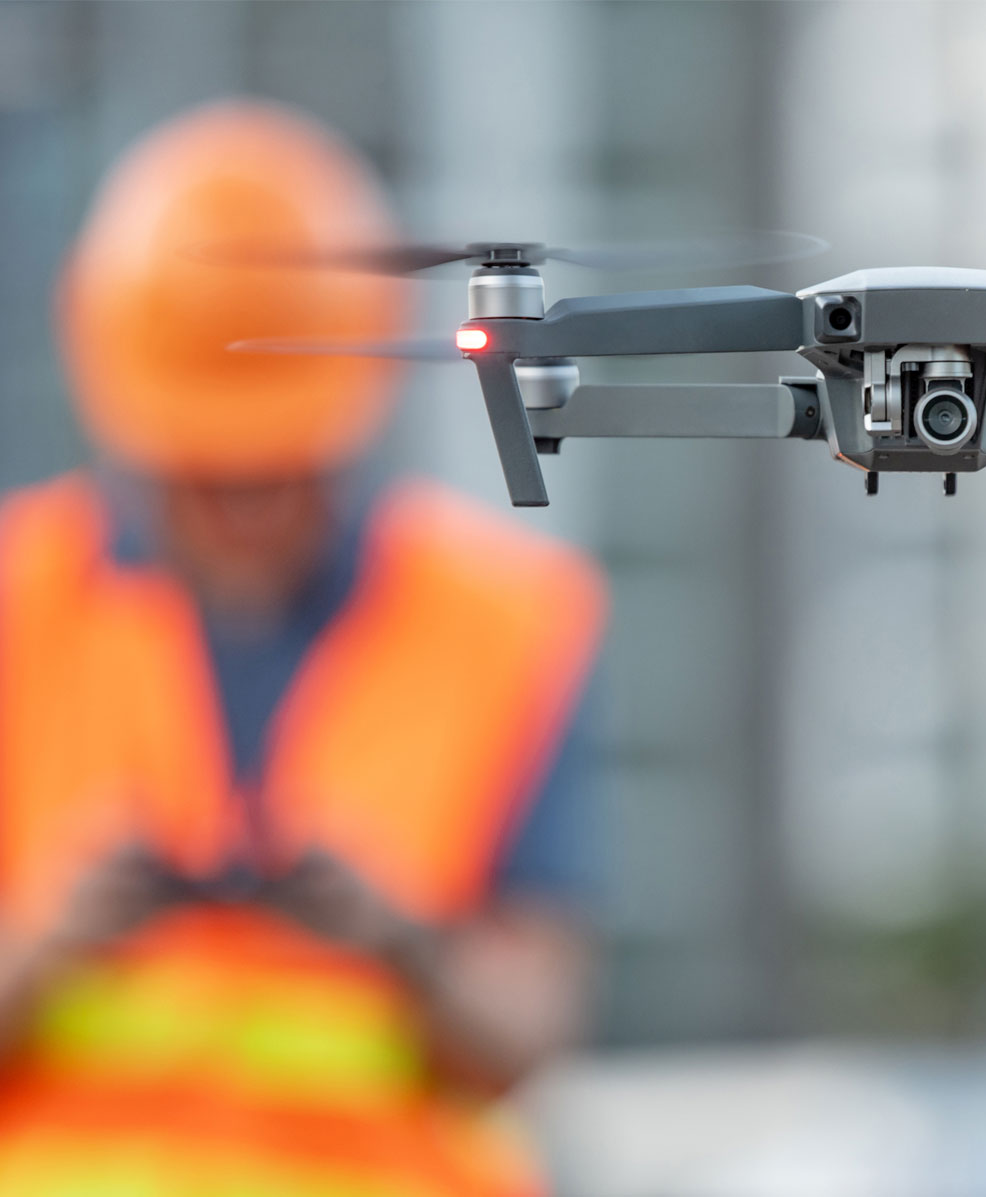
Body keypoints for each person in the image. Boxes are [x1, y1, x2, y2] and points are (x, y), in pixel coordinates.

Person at [0, 100, 606, 1195]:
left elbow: (529, 1028)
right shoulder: (15, 610)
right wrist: (49, 940)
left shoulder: (506, 624)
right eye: (207, 473)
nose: (247, 504)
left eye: (280, 467)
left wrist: (402, 944)